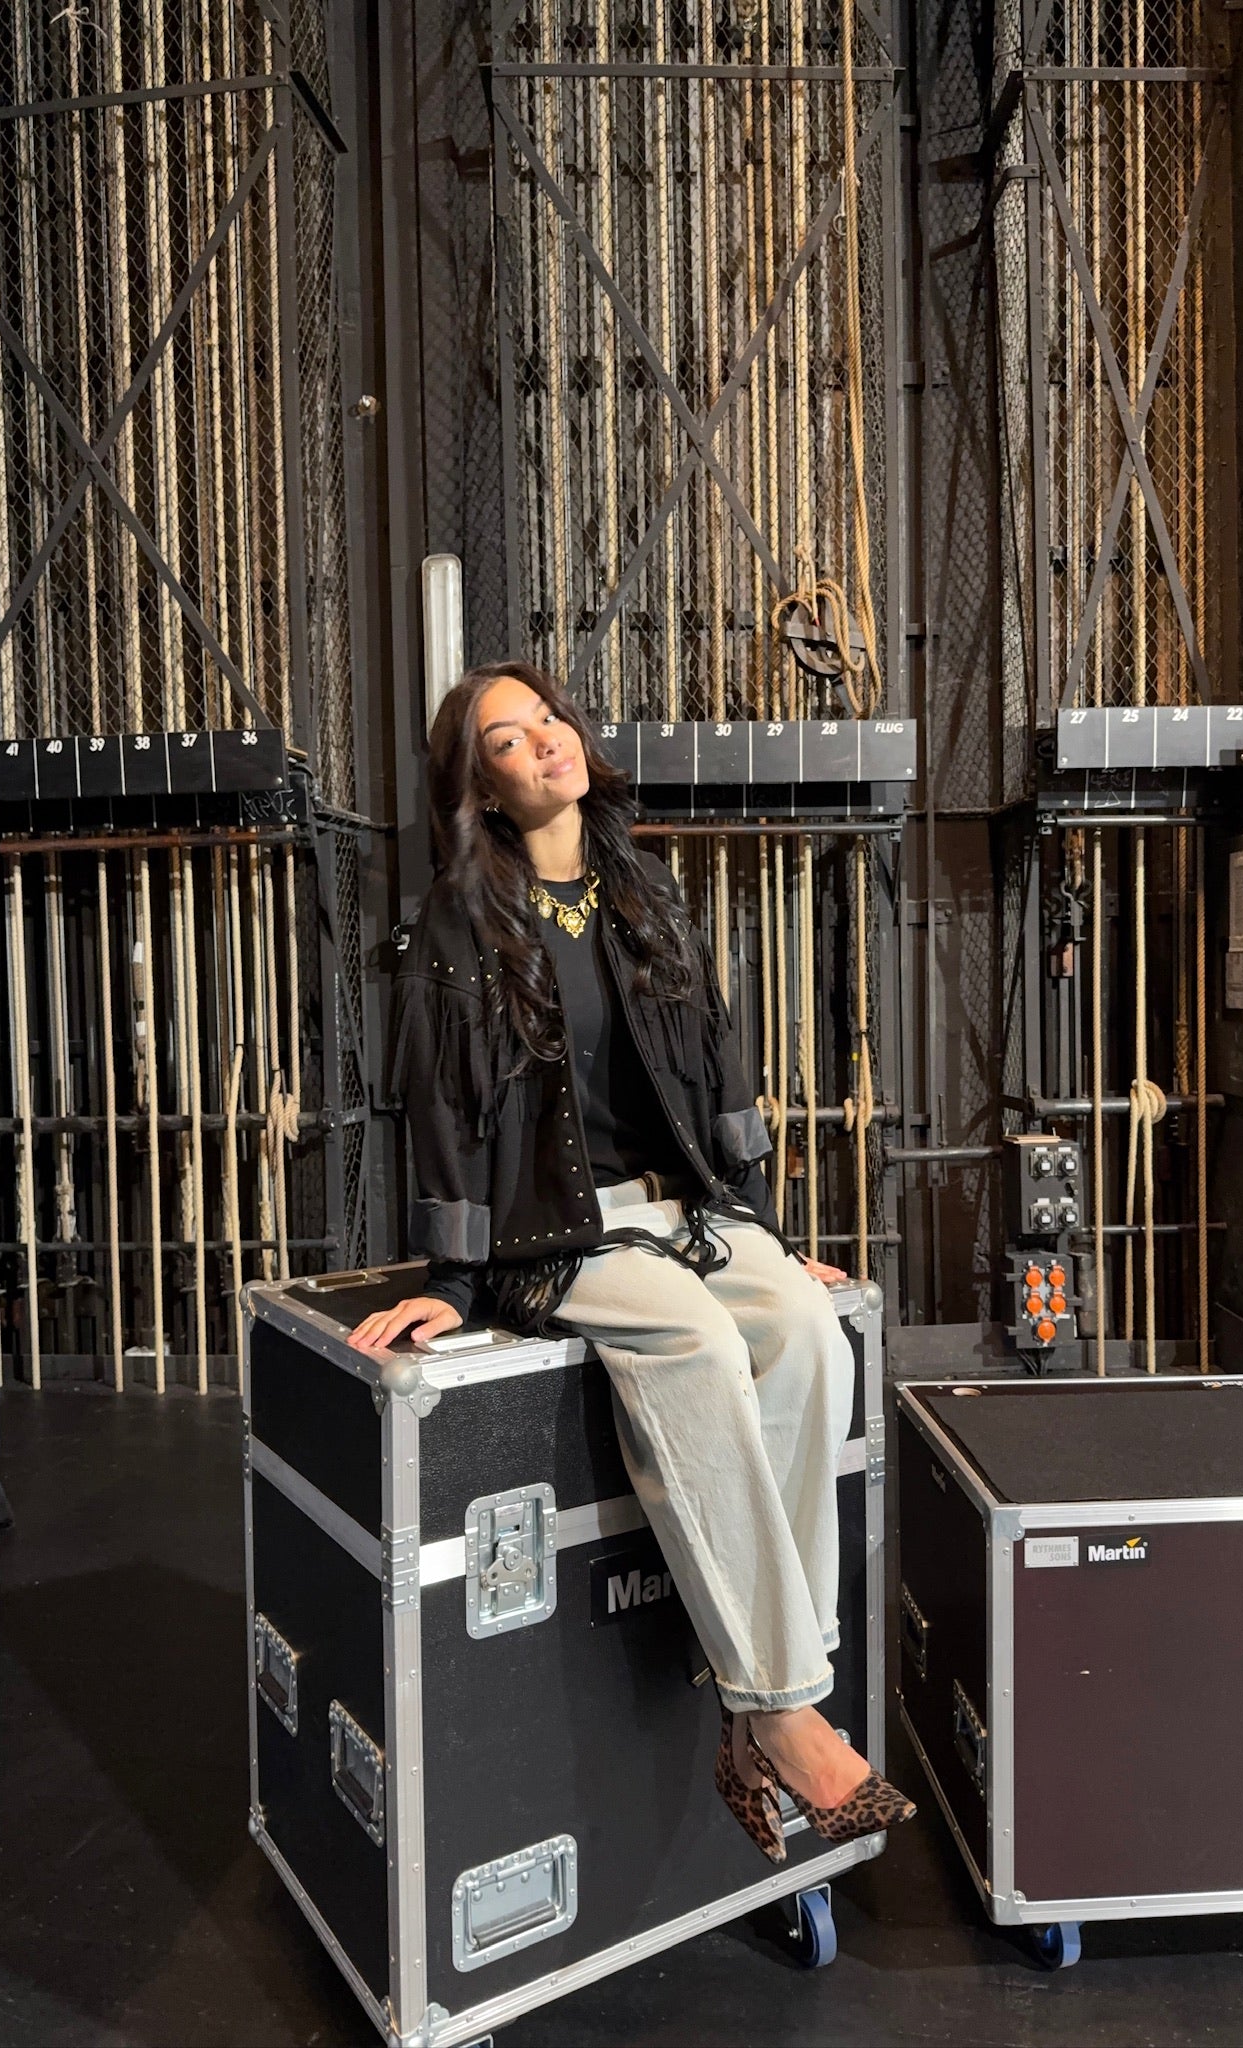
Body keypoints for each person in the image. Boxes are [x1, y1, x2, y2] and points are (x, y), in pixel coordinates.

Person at [348, 660, 914, 1859]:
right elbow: (441, 1105)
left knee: (808, 1332)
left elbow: (719, 1065)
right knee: (696, 1337)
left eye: (548, 717)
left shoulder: (645, 888)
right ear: (481, 787)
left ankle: (764, 1697)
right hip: (555, 1227)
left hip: (683, 1206)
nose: (544, 739)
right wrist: (449, 1281)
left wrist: (766, 1233)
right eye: (508, 738)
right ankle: (783, 1709)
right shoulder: (460, 916)